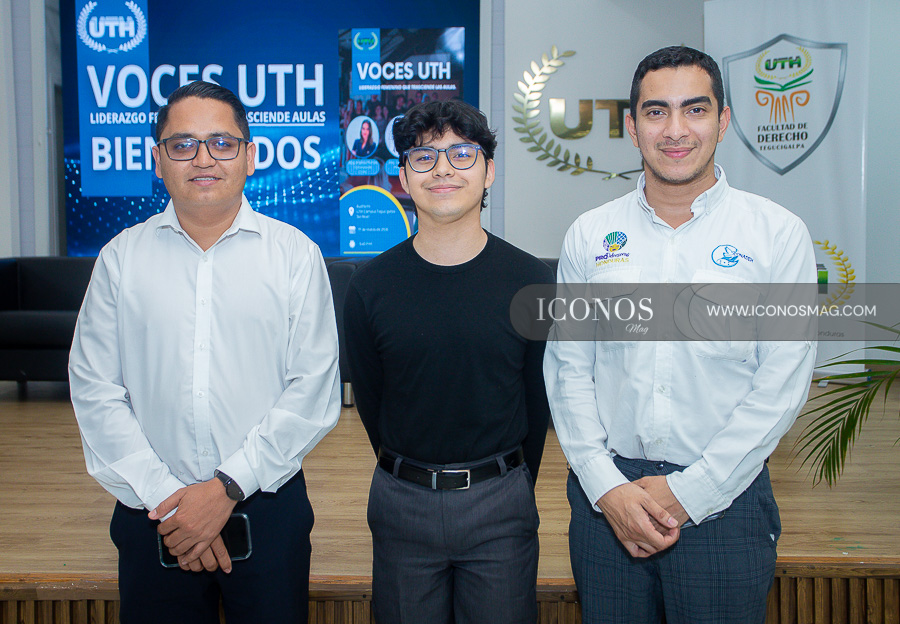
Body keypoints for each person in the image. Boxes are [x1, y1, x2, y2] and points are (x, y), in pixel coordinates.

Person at [543, 46, 817, 623]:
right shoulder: (590, 234)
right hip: (608, 501)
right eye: (656, 111)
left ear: (723, 119)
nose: (675, 130)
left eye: (695, 109)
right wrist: (604, 484)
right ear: (632, 126)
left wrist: (694, 491)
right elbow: (568, 370)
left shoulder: (777, 234)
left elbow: (782, 382)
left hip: (726, 500)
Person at [68, 81, 341, 624]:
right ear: (158, 160)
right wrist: (173, 502)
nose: (203, 158)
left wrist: (225, 488)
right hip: (151, 513)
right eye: (183, 144)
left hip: (268, 508)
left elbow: (312, 389)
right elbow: (95, 390)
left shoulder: (295, 256)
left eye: (221, 142)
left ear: (249, 156)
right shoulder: (121, 259)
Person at [343, 99, 553, 624]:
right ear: (403, 177)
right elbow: (371, 400)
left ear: (489, 172)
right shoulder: (370, 287)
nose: (442, 169)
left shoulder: (531, 280)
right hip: (402, 504)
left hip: (500, 504)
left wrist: (509, 485)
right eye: (424, 156)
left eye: (461, 154)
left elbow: (537, 399)